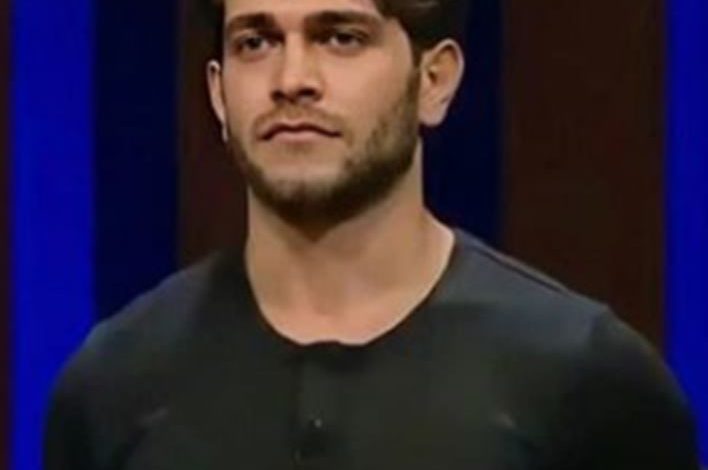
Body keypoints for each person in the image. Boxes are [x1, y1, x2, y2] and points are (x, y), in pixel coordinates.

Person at [44, 0, 700, 468]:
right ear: (218, 93)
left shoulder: (587, 381)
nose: (291, 80)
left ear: (434, 81)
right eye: (256, 42)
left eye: (340, 37)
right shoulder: (115, 386)